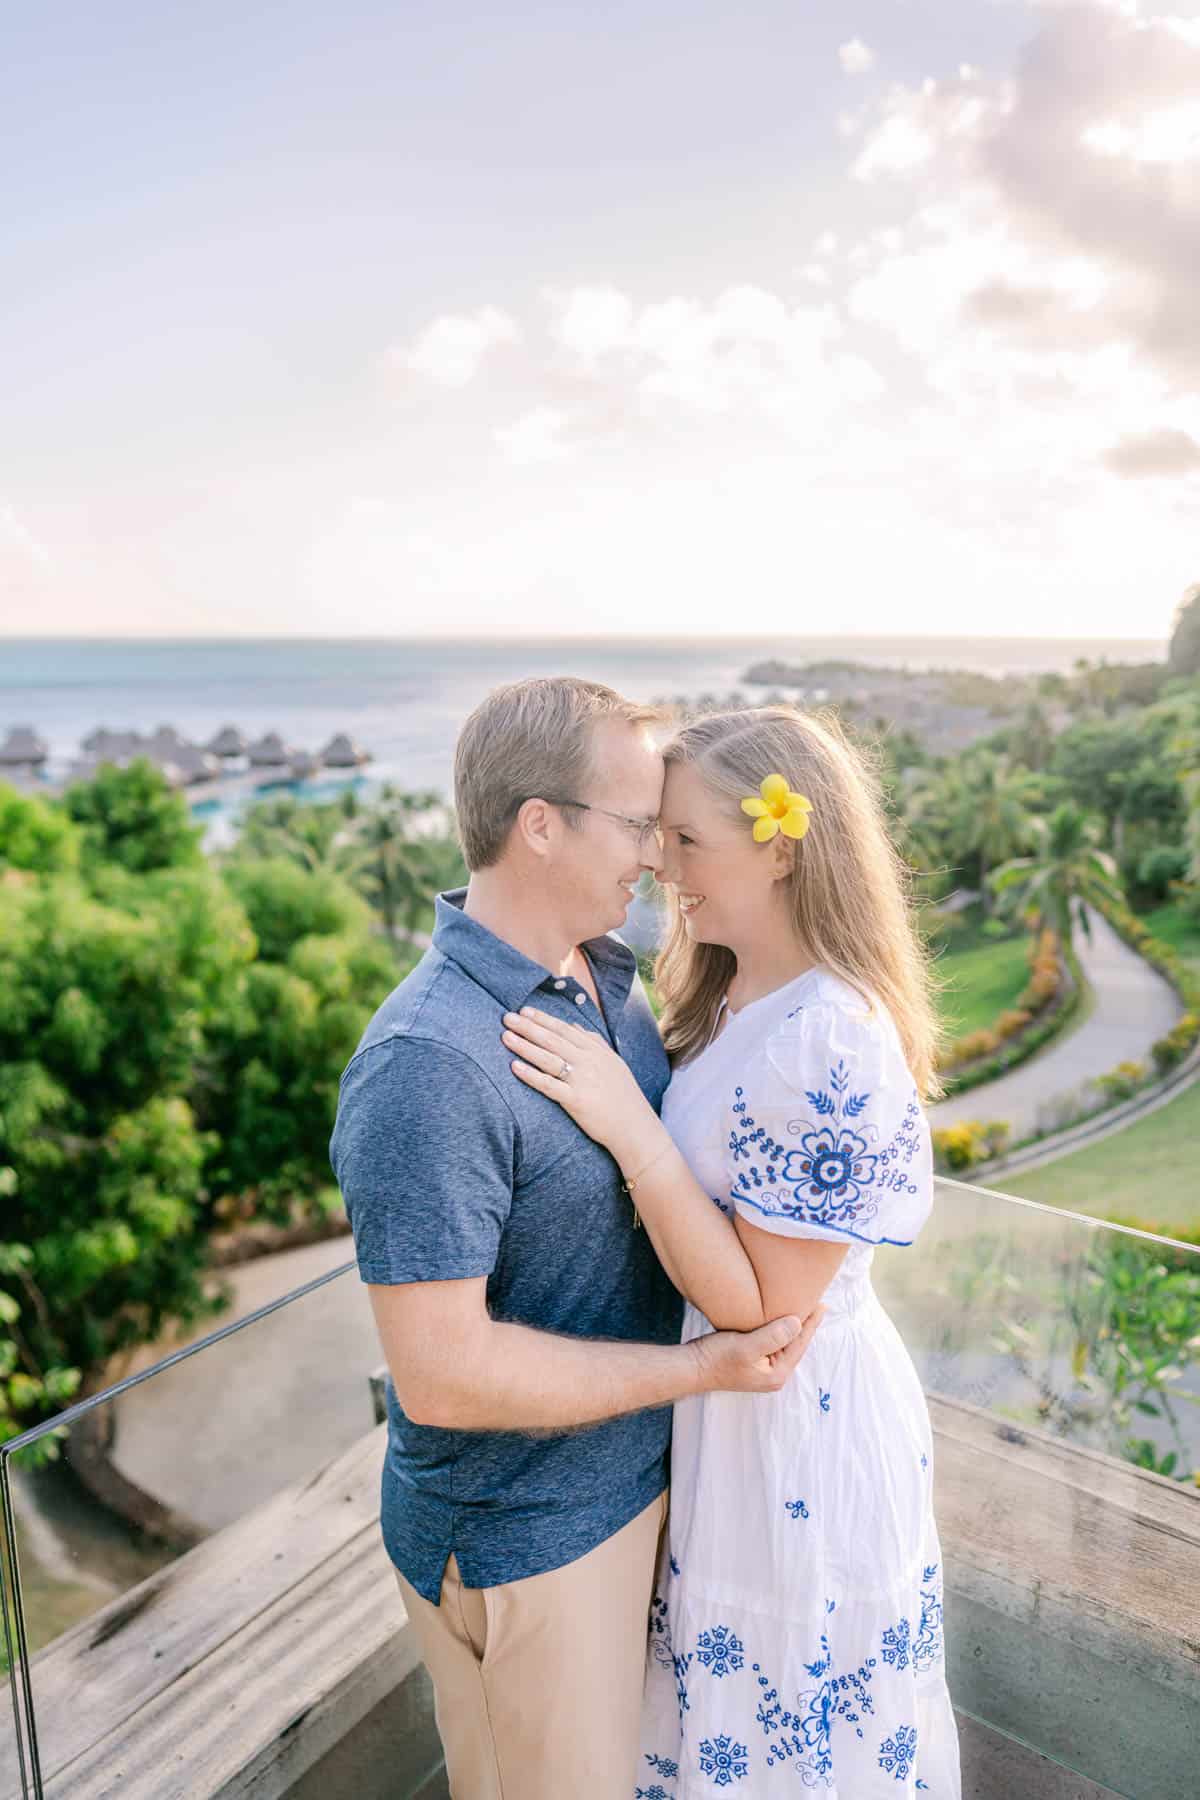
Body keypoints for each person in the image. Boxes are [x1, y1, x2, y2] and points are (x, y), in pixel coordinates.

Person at [329, 677, 822, 1800]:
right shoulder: (428, 1064)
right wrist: (699, 1371)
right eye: (636, 823)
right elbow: (444, 1376)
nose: (654, 855)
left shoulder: (605, 983)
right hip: (529, 1539)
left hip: (632, 1496)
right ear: (539, 825)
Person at [501, 705, 962, 1798]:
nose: (662, 864)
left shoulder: (831, 1037)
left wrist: (629, 1125)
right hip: (731, 1420)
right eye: (656, 835)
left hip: (797, 1421)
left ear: (782, 844)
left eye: (687, 839)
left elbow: (767, 1307)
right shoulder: (734, 993)